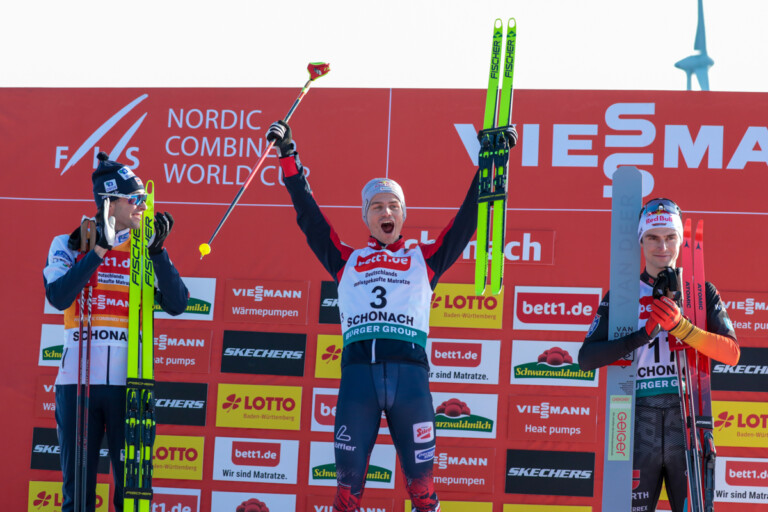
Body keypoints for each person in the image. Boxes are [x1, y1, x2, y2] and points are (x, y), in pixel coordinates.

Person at [266, 120, 516, 512]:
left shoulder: (424, 258)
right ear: (366, 216)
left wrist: (491, 162)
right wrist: (288, 158)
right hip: (358, 383)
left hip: (410, 383)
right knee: (346, 496)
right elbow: (309, 218)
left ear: (403, 215)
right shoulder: (346, 259)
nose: (386, 211)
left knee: (423, 492)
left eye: (393, 206)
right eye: (377, 206)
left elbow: (468, 220)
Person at [43, 152, 189, 512]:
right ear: (110, 202)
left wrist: (159, 253)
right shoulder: (69, 244)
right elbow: (59, 296)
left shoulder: (143, 249)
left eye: (144, 197)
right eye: (134, 198)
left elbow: (178, 303)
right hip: (78, 386)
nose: (144, 205)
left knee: (133, 494)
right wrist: (98, 251)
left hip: (131, 386)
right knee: (78, 496)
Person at [578, 197, 740, 512]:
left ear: (680, 240)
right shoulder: (623, 294)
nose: (662, 246)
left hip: (689, 419)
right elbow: (586, 359)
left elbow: (731, 353)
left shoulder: (701, 291)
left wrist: (682, 327)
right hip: (636, 421)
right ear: (641, 240)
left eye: (670, 237)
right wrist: (642, 335)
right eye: (652, 237)